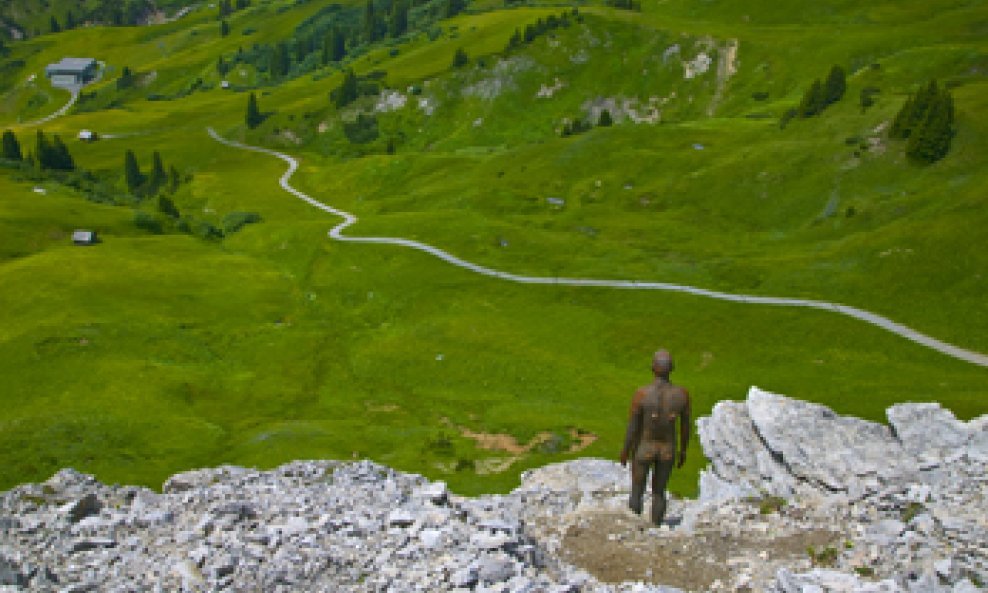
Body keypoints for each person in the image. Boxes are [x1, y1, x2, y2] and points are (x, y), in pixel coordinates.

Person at [619, 349, 691, 526]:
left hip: (645, 448)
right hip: (667, 449)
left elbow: (633, 427)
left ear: (652, 367)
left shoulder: (642, 394)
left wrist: (626, 450)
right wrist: (683, 451)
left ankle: (634, 526)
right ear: (672, 368)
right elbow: (685, 426)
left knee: (637, 490)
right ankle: (656, 526)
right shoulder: (682, 395)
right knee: (659, 491)